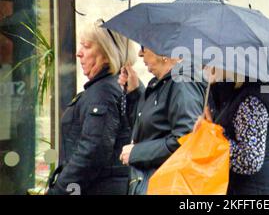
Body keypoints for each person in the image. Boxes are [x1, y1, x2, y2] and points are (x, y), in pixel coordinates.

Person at [47, 19, 137, 195]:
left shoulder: (103, 92)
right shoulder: (109, 87)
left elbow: (92, 152)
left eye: (86, 46)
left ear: (106, 53)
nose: (78, 54)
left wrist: (58, 191)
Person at [194, 68, 269, 195]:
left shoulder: (251, 102)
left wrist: (211, 137)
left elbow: (250, 160)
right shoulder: (234, 96)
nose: (206, 67)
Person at [117, 46, 205, 195]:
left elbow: (186, 140)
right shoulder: (161, 84)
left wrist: (137, 153)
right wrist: (134, 93)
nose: (140, 53)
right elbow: (148, 130)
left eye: (144, 47)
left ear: (164, 51)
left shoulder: (183, 84)